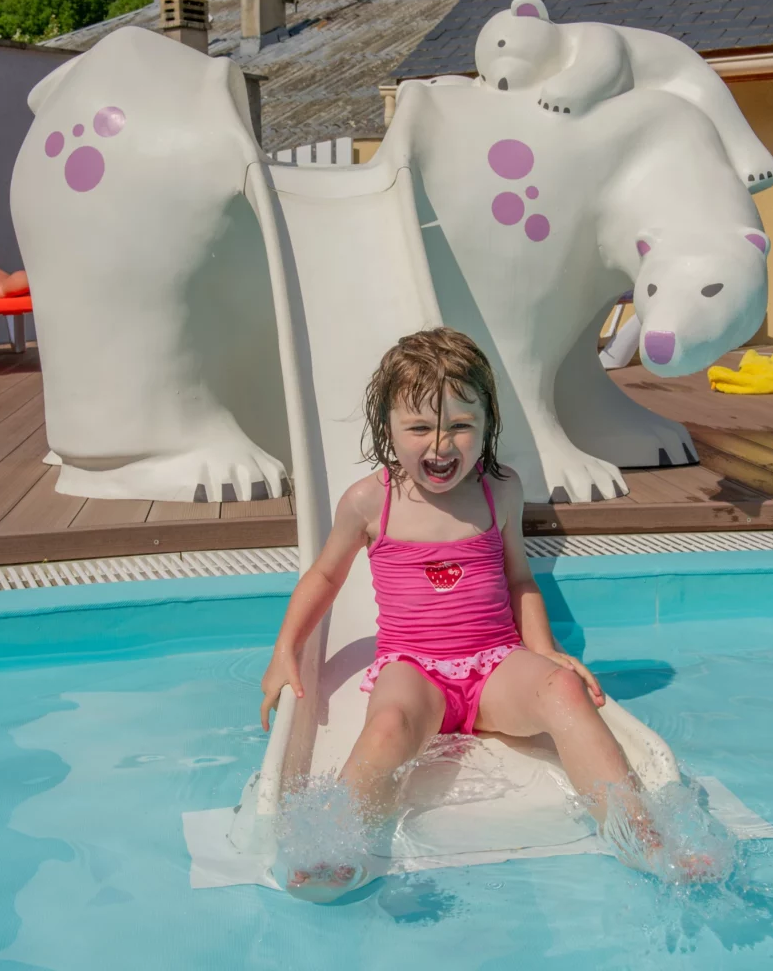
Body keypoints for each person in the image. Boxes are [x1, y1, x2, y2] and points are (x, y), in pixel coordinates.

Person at [260, 327, 703, 898]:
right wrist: (285, 650)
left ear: (488, 424)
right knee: (389, 724)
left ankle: (639, 832)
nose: (440, 446)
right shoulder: (371, 501)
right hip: (413, 668)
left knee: (563, 693)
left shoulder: (500, 491)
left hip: (495, 664)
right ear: (386, 429)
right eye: (419, 427)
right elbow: (323, 576)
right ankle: (334, 842)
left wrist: (544, 652)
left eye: (460, 426)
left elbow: (520, 578)